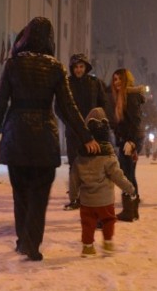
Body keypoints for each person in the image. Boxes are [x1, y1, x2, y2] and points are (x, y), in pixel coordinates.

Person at [0, 17, 100, 261]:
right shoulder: (56, 67)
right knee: (39, 196)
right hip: (44, 139)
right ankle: (32, 243)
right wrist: (86, 135)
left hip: (16, 136)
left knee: (21, 195)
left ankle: (22, 240)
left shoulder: (13, 64)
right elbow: (68, 108)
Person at [70, 108, 135, 257]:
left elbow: (74, 179)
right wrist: (130, 188)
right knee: (108, 220)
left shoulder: (79, 159)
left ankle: (87, 247)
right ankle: (107, 243)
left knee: (87, 223)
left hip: (87, 201)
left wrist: (73, 196)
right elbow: (118, 176)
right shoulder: (108, 158)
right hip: (105, 201)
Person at [59, 53, 107, 211]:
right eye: (76, 67)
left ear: (86, 67)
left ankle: (90, 198)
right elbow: (58, 107)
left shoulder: (94, 83)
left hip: (91, 131)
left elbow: (103, 104)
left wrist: (99, 124)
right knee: (74, 165)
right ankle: (75, 198)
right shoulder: (66, 84)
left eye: (81, 66)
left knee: (91, 165)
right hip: (73, 131)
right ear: (72, 68)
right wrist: (69, 123)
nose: (79, 70)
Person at [106, 68, 145, 222]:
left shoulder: (130, 96)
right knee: (129, 174)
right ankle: (132, 210)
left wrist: (132, 142)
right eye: (114, 79)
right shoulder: (124, 96)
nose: (116, 83)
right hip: (128, 140)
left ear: (126, 80)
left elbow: (135, 121)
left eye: (119, 79)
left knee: (126, 175)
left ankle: (129, 210)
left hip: (130, 140)